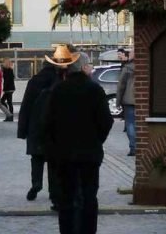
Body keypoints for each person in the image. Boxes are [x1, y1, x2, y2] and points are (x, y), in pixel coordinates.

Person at [43, 51, 114, 234]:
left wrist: (55, 146)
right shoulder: (95, 90)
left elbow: (48, 122)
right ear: (83, 67)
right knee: (89, 196)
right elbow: (106, 121)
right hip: (90, 154)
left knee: (66, 197)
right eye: (89, 65)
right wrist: (97, 139)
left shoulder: (58, 90)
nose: (91, 68)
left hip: (64, 155)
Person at [18, 45, 71, 207]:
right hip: (52, 127)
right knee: (53, 161)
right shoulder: (58, 81)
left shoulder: (34, 81)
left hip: (35, 125)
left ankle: (36, 183)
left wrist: (23, 130)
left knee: (37, 157)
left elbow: (26, 105)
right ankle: (54, 192)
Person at [116, 49, 136, 157]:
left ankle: (133, 147)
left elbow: (121, 86)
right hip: (142, 101)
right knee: (139, 124)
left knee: (130, 124)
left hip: (128, 100)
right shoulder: (146, 66)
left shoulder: (127, 68)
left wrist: (118, 101)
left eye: (131, 53)